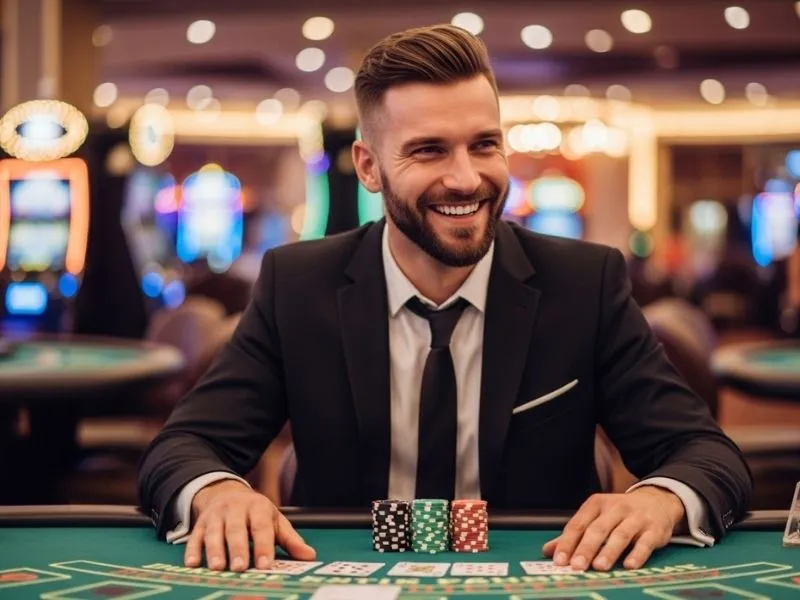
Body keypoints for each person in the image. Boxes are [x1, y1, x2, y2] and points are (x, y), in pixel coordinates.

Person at [138, 24, 752, 576]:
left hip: (540, 580)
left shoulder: (583, 283)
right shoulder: (298, 285)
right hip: (345, 579)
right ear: (369, 167)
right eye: (429, 150)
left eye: (484, 144)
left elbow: (705, 454)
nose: (465, 178)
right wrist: (218, 490)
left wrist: (661, 496)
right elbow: (183, 447)